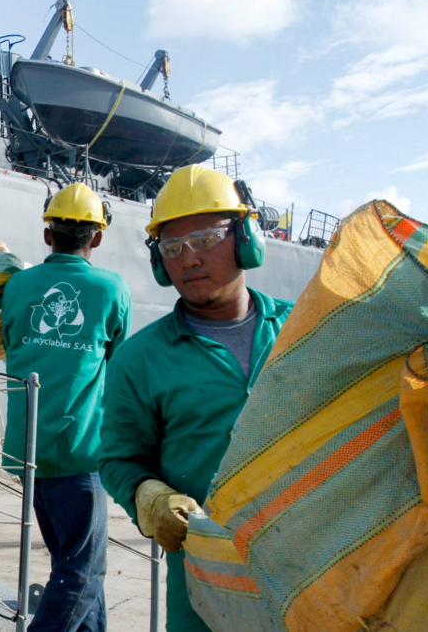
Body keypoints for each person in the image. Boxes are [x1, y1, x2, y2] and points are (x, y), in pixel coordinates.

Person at [98, 165, 292, 632]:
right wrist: (151, 497)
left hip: (310, 575)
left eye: (205, 239)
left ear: (244, 239)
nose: (188, 259)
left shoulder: (302, 331)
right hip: (205, 588)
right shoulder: (139, 360)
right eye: (171, 247)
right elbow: (118, 459)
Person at [1, 184, 131, 632]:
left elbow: (10, 343)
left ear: (47, 234)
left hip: (27, 446)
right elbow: (118, 362)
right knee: (84, 572)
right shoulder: (111, 288)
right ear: (98, 236)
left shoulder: (18, 285)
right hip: (79, 450)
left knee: (71, 563)